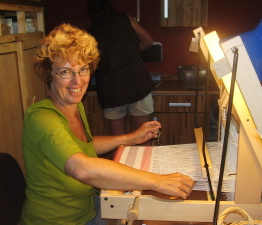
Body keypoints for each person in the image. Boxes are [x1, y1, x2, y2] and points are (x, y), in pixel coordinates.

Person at [21, 23, 194, 225]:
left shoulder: (73, 106)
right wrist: (157, 180)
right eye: (66, 72)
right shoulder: (41, 117)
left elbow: (82, 146)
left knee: (164, 216)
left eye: (83, 69)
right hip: (59, 221)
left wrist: (130, 138)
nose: (77, 82)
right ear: (48, 73)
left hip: (86, 208)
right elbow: (81, 167)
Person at [88, 0, 155, 141]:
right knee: (145, 137)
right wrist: (131, 54)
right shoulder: (125, 19)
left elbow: (91, 64)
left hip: (111, 89)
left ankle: (119, 164)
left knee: (118, 142)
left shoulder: (91, 33)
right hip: (137, 83)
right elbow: (148, 40)